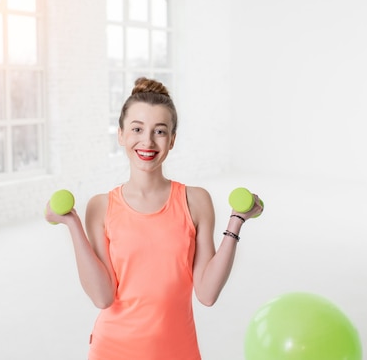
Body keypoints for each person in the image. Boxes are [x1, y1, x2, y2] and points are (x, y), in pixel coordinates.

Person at [45, 77, 263, 360]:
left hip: (177, 350)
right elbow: (102, 297)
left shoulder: (195, 201)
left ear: (172, 140)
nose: (147, 141)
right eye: (137, 129)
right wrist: (72, 223)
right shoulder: (100, 207)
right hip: (113, 349)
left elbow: (207, 294)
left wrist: (236, 221)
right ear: (121, 135)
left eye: (159, 131)